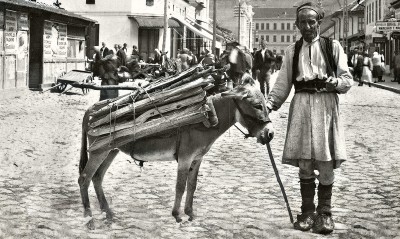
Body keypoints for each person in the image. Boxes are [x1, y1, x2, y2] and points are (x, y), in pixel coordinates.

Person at [266, 2, 353, 234]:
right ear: (297, 25)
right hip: (302, 107)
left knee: (325, 163)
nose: (307, 26)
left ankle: (325, 214)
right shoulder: (292, 51)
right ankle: (307, 212)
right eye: (302, 22)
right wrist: (269, 104)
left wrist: (335, 83)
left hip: (326, 107)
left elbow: (347, 80)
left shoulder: (332, 47)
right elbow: (282, 84)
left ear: (319, 23)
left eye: (311, 21)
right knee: (305, 163)